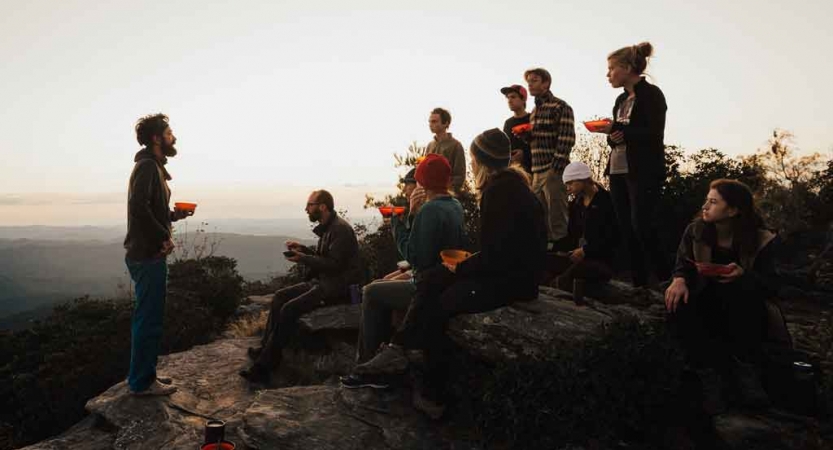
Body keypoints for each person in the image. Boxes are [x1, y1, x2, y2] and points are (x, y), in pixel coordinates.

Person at [354, 129, 547, 418]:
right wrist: (464, 264)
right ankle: (399, 348)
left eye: (472, 158)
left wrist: (462, 266)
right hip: (517, 275)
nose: (470, 164)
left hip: (513, 283)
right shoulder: (514, 187)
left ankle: (432, 391)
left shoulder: (498, 192)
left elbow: (496, 256)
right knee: (434, 279)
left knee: (443, 304)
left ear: (482, 161)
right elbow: (503, 248)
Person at [342, 154, 465, 389]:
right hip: (445, 280)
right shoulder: (454, 205)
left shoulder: (430, 210)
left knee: (371, 293)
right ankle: (379, 359)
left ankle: (367, 367)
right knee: (380, 288)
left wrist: (401, 220)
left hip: (426, 287)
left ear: (424, 183)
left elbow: (414, 256)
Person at [665, 179, 780, 414]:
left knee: (744, 296)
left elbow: (772, 284)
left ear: (734, 210)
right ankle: (707, 378)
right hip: (704, 296)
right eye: (707, 200)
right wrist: (678, 279)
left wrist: (744, 275)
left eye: (713, 202)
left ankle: (746, 373)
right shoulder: (695, 230)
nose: (705, 206)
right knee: (679, 302)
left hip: (741, 304)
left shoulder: (760, 239)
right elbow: (683, 264)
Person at [241, 190, 362, 384]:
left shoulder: (340, 230)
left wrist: (304, 258)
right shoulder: (328, 227)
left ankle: (265, 367)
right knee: (280, 296)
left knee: (289, 309)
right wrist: (303, 250)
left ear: (322, 207)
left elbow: (335, 265)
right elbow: (327, 258)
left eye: (310, 205)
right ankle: (265, 349)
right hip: (324, 282)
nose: (306, 209)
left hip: (337, 288)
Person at [124, 113, 194, 396]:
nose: (173, 137)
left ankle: (145, 376)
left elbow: (150, 209)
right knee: (148, 320)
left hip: (148, 252)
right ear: (156, 138)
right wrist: (163, 236)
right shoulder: (147, 167)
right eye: (169, 133)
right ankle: (141, 383)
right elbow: (138, 208)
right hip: (147, 254)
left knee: (149, 317)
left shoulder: (152, 167)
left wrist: (173, 216)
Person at [600, 42, 671, 287]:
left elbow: (653, 133)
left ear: (628, 68)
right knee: (626, 228)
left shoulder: (652, 95)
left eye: (611, 68)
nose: (608, 74)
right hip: (618, 169)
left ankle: (666, 279)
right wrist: (612, 135)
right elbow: (618, 138)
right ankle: (639, 284)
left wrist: (618, 129)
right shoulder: (620, 99)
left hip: (644, 171)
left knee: (643, 225)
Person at [522, 68, 575, 250]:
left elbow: (567, 138)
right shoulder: (534, 112)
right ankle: (545, 259)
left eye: (534, 80)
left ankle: (562, 258)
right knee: (539, 217)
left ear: (546, 83)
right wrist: (527, 137)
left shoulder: (561, 106)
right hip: (536, 171)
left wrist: (556, 169)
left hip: (553, 170)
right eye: (528, 81)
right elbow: (538, 139)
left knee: (557, 217)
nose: (530, 84)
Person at [553, 162, 619, 291]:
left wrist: (585, 251)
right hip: (579, 258)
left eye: (570, 183)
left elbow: (612, 238)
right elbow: (571, 236)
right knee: (549, 263)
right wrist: (554, 248)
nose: (568, 188)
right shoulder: (575, 205)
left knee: (569, 275)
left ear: (582, 180)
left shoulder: (606, 202)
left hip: (602, 261)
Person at [426, 108, 467, 192]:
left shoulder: (456, 145)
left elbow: (459, 176)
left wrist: (447, 191)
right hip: (429, 195)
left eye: (434, 121)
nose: (430, 124)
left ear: (446, 123)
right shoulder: (430, 145)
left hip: (446, 195)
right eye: (429, 121)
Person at [500, 84, 532, 173]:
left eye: (513, 97)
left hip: (534, 170)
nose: (509, 101)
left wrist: (524, 154)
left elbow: (541, 143)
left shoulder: (533, 119)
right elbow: (505, 147)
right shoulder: (508, 123)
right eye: (508, 98)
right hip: (515, 171)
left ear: (523, 99)